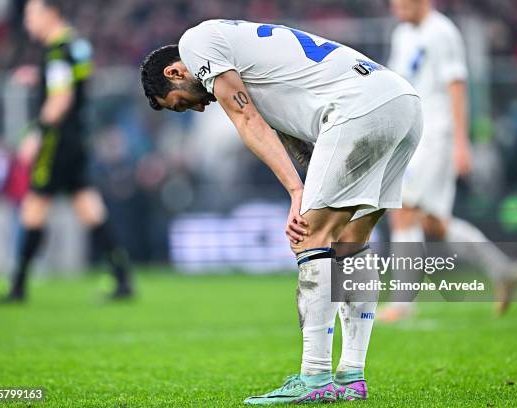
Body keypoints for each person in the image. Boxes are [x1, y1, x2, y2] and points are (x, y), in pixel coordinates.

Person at [140, 19, 421, 404]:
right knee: (351, 243)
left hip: (358, 108)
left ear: (175, 72)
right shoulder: (243, 56)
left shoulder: (195, 42)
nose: (195, 109)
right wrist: (306, 186)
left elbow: (246, 118)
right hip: (400, 102)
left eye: (179, 104)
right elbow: (296, 139)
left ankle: (315, 378)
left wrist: (297, 193)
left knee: (310, 237)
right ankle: (352, 375)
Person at [378, 0, 517, 322]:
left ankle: (402, 303)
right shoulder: (403, 33)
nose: (396, 5)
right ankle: (504, 269)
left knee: (402, 208)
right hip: (413, 134)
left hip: (437, 134)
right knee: (433, 223)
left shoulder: (442, 31)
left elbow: (456, 85)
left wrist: (461, 143)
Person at [4, 0, 132, 302]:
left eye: (31, 15)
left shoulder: (57, 50)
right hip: (78, 138)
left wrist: (37, 132)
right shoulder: (76, 45)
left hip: (57, 140)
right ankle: (122, 279)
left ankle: (18, 285)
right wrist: (39, 79)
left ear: (50, 13)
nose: (27, 23)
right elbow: (77, 82)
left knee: (34, 205)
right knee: (89, 207)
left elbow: (60, 99)